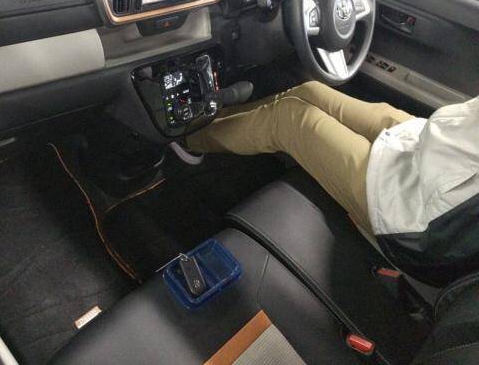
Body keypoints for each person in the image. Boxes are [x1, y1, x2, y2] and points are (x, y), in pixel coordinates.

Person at [186, 81, 479, 285]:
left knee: (287, 119)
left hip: (418, 212)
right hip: (437, 145)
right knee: (310, 91)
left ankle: (187, 138)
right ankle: (210, 121)